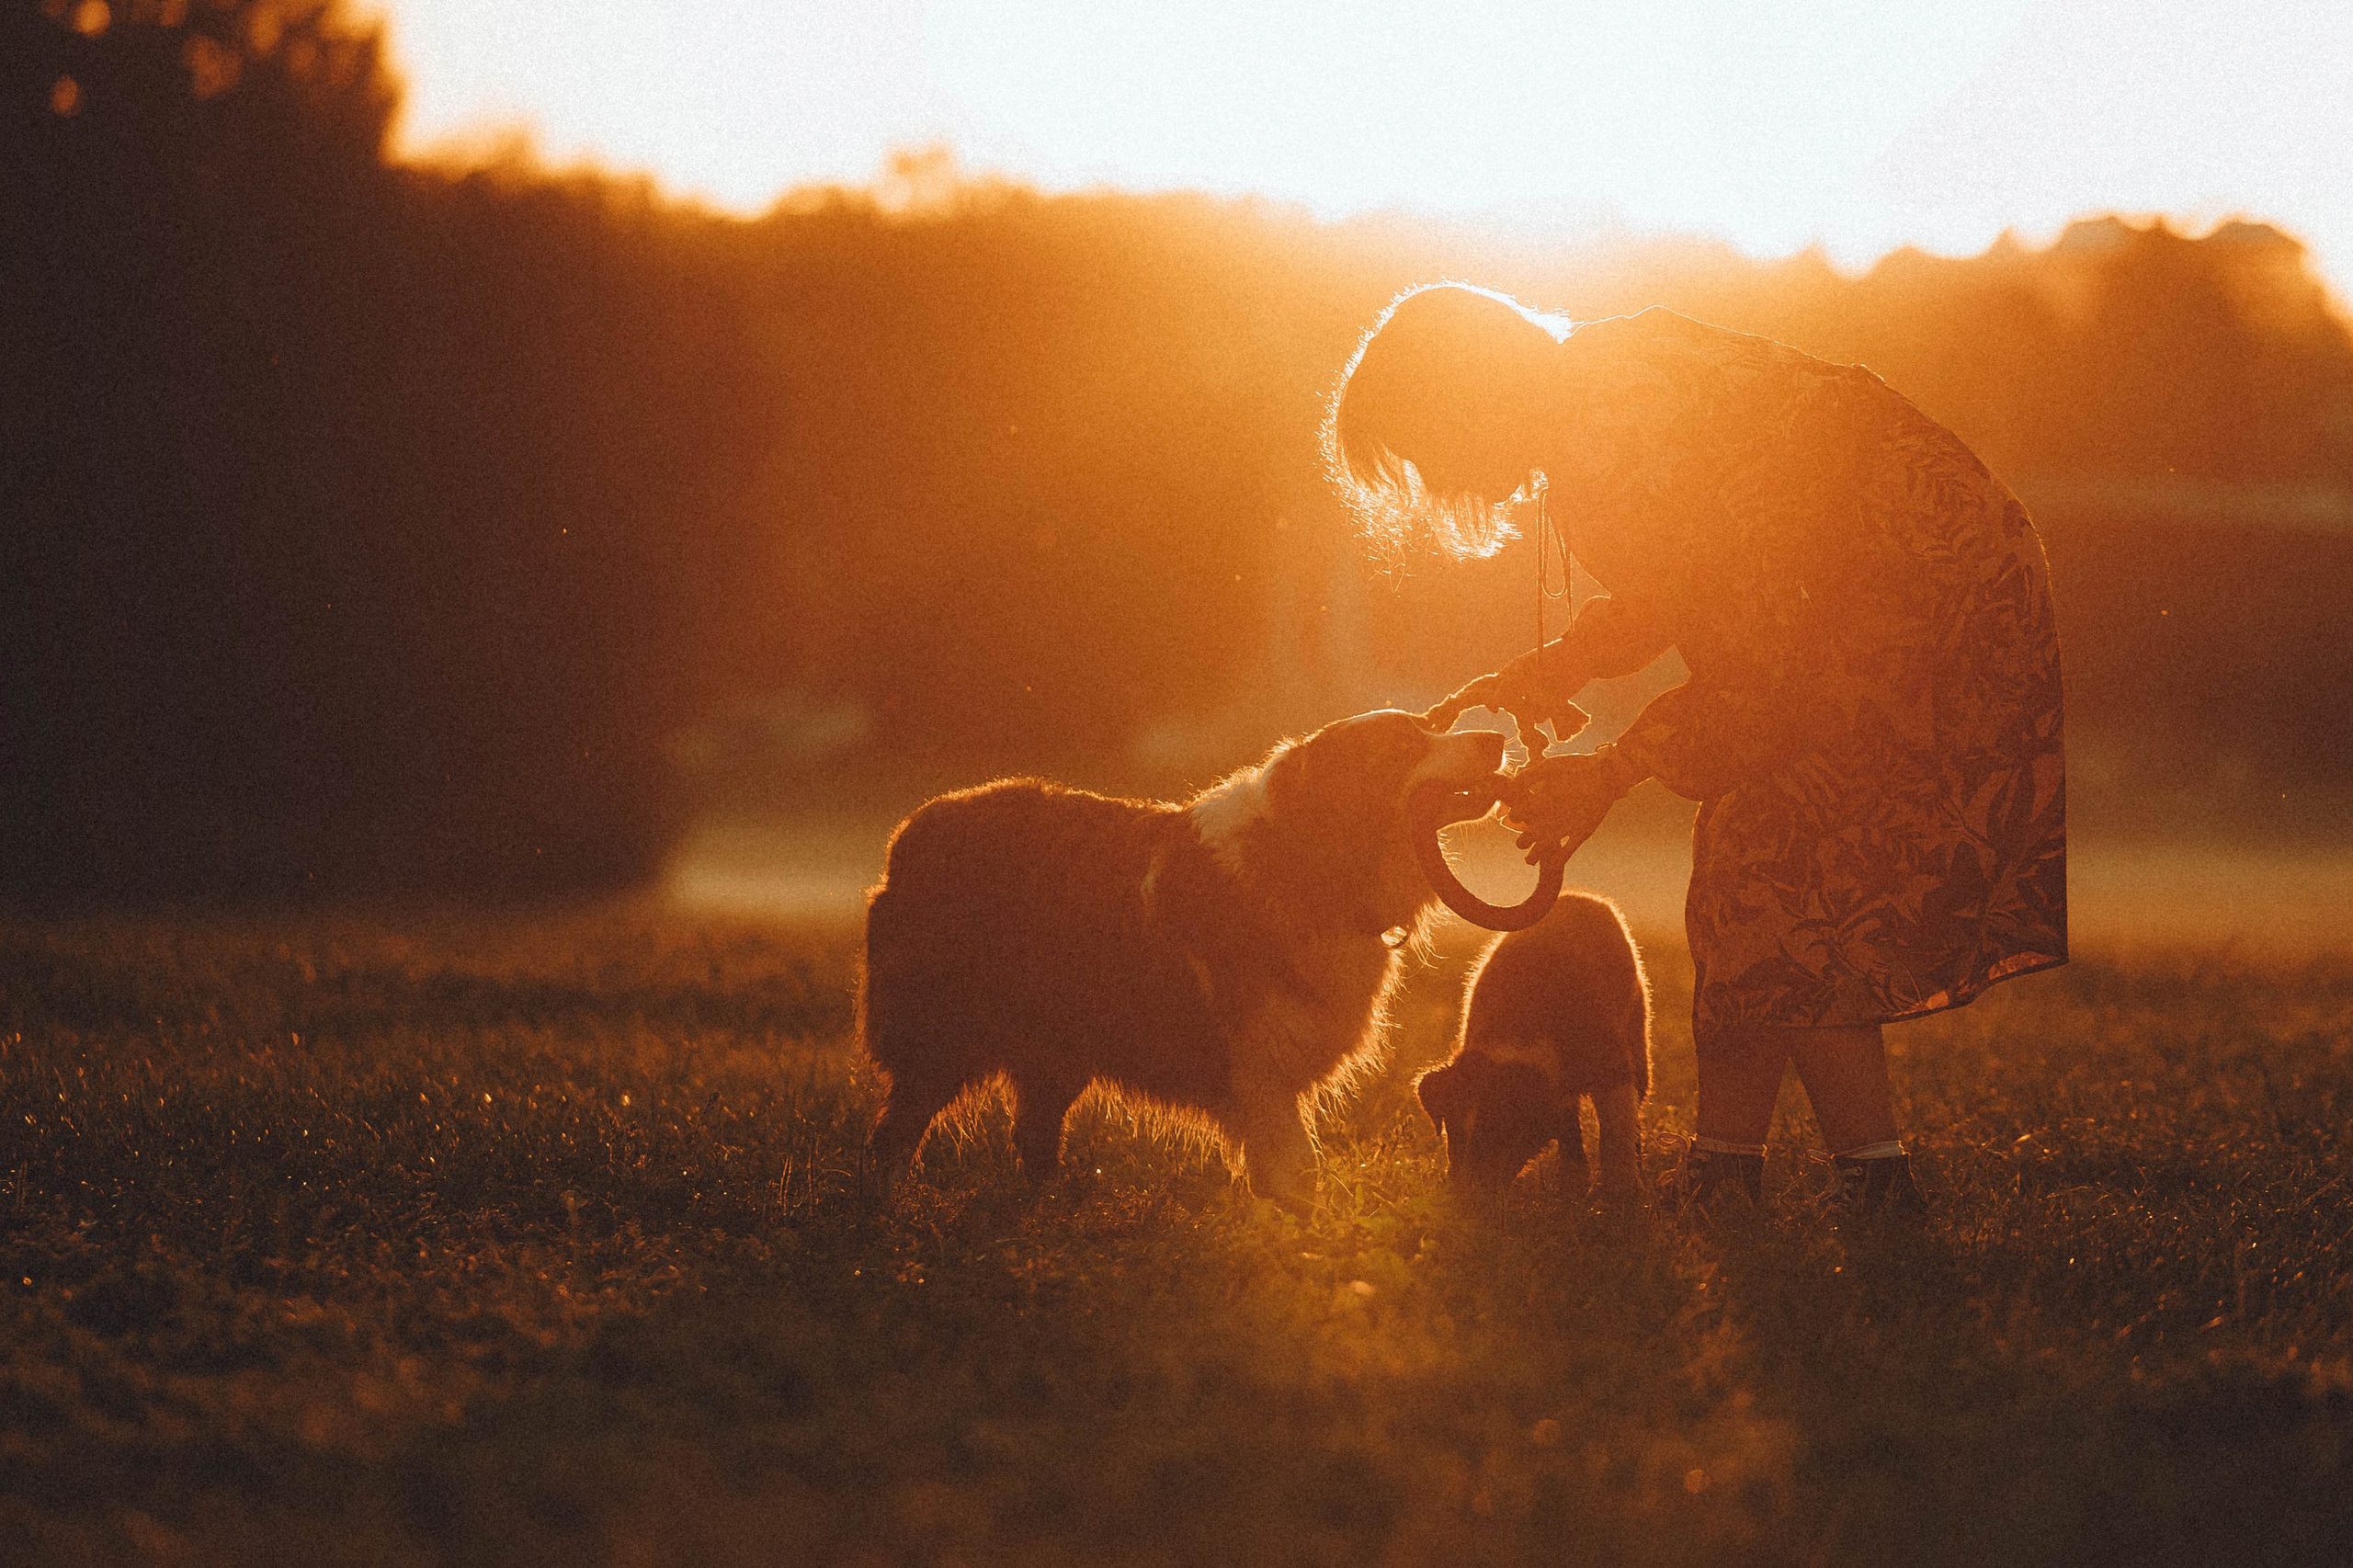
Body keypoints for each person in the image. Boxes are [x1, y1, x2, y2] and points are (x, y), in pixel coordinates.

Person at [1324, 283, 2067, 1214]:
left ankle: (1861, 1187)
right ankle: (1735, 1176)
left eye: (1426, 446)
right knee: (1754, 870)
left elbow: (1761, 670)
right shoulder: (1600, 395)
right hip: (1926, 574)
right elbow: (1690, 587)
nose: (1438, 478)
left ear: (1465, 398)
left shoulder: (1611, 441)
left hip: (1921, 596)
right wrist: (1561, 666)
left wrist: (1606, 773)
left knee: (1777, 863)